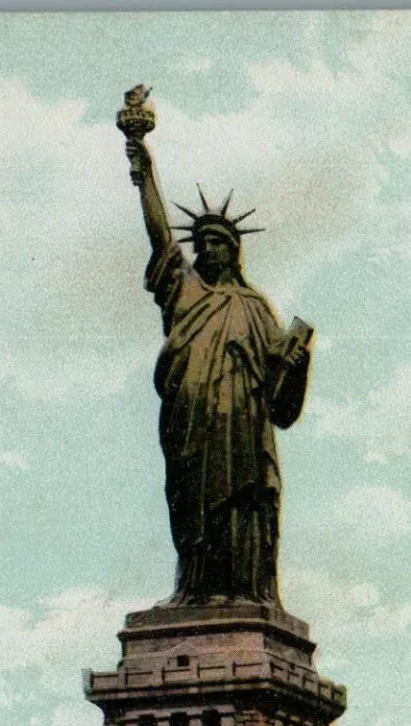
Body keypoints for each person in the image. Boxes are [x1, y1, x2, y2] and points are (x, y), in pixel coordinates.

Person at [125, 136, 311, 606]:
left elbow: (279, 397)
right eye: (202, 243)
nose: (207, 250)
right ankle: (193, 591)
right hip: (191, 423)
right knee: (192, 501)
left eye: (217, 243)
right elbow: (160, 238)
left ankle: (244, 592)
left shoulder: (254, 306)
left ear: (234, 251)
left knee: (241, 503)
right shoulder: (185, 291)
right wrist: (144, 172)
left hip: (242, 427)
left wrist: (296, 363)